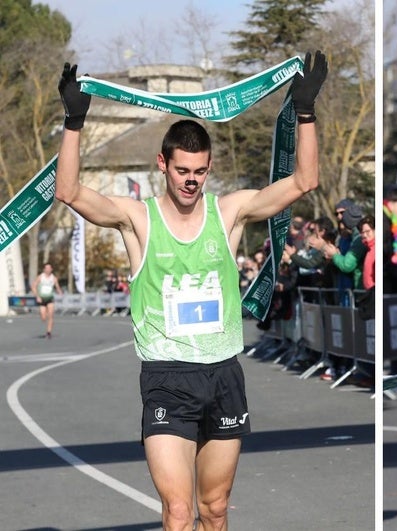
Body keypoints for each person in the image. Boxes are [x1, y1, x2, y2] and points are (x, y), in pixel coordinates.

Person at [55, 52, 327, 530]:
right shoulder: (138, 219)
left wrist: (305, 112)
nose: (191, 181)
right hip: (167, 378)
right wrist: (74, 123)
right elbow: (71, 193)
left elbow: (304, 182)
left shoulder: (229, 213)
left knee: (215, 510)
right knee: (179, 515)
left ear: (209, 168)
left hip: (223, 375)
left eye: (200, 172)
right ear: (163, 164)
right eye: (182, 171)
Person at [31, 262, 63, 339]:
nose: (48, 270)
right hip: (42, 299)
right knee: (43, 317)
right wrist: (37, 296)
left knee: (51, 316)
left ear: (51, 269)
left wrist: (59, 291)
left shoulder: (54, 278)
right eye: (46, 268)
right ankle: (44, 316)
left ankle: (48, 332)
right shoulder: (40, 277)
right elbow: (33, 286)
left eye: (49, 268)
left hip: (50, 298)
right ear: (44, 269)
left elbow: (57, 286)